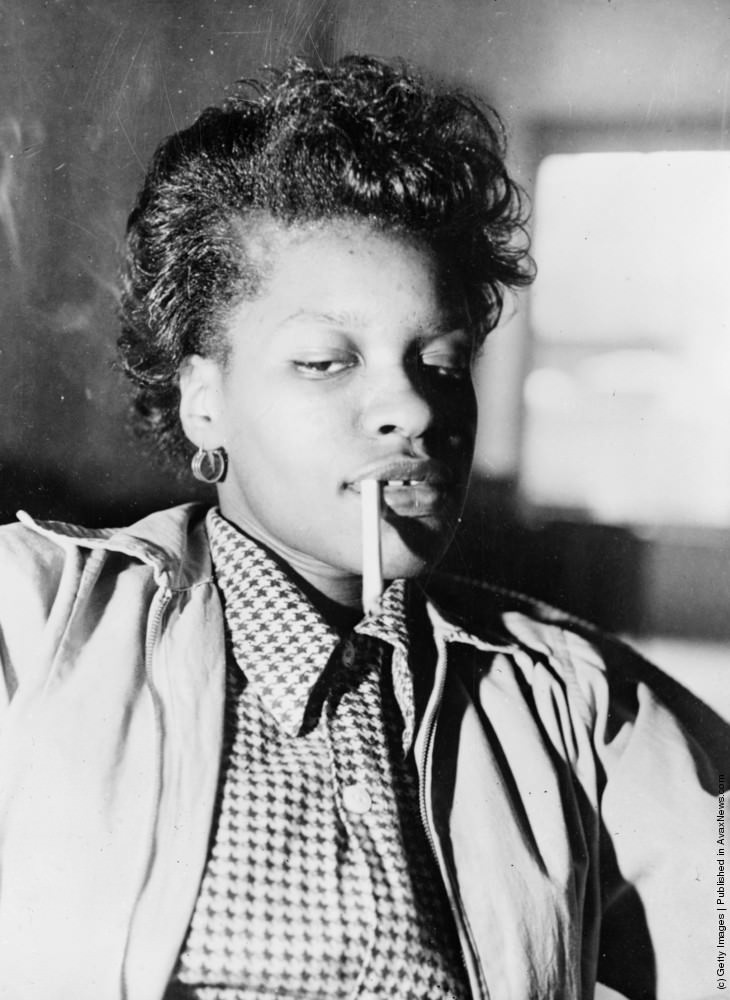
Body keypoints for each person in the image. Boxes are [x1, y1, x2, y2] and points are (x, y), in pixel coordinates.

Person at [0, 55, 721, 1000]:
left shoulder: (579, 705)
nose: (412, 410)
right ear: (203, 404)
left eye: (443, 360)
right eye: (325, 362)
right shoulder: (33, 623)